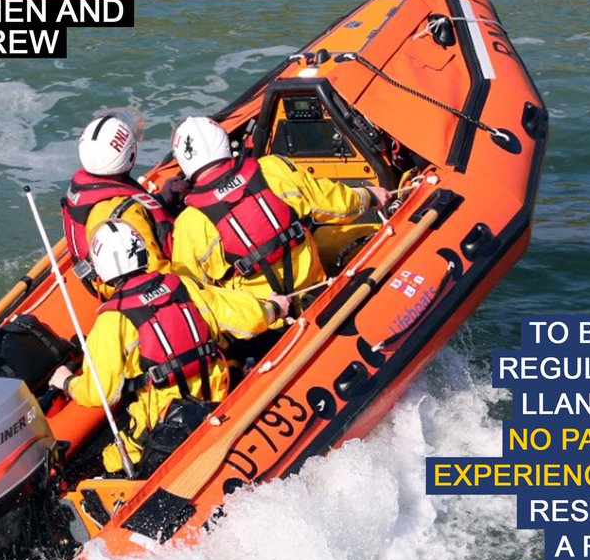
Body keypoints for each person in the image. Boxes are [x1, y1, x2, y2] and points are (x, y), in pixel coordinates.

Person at [48, 220, 291, 475]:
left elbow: (99, 393)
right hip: (218, 400)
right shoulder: (181, 286)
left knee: (109, 461)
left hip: (167, 426)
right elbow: (247, 318)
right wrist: (273, 308)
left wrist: (67, 383)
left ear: (100, 269)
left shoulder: (112, 320)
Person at [169, 116, 393, 300]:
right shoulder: (273, 168)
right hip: (314, 289)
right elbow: (336, 206)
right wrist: (368, 196)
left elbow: (193, 295)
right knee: (360, 232)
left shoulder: (189, 224)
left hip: (264, 322)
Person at [60, 114, 174, 294]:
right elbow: (155, 274)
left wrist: (161, 201)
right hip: (136, 293)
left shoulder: (85, 190)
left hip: (102, 281)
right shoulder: (128, 213)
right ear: (129, 155)